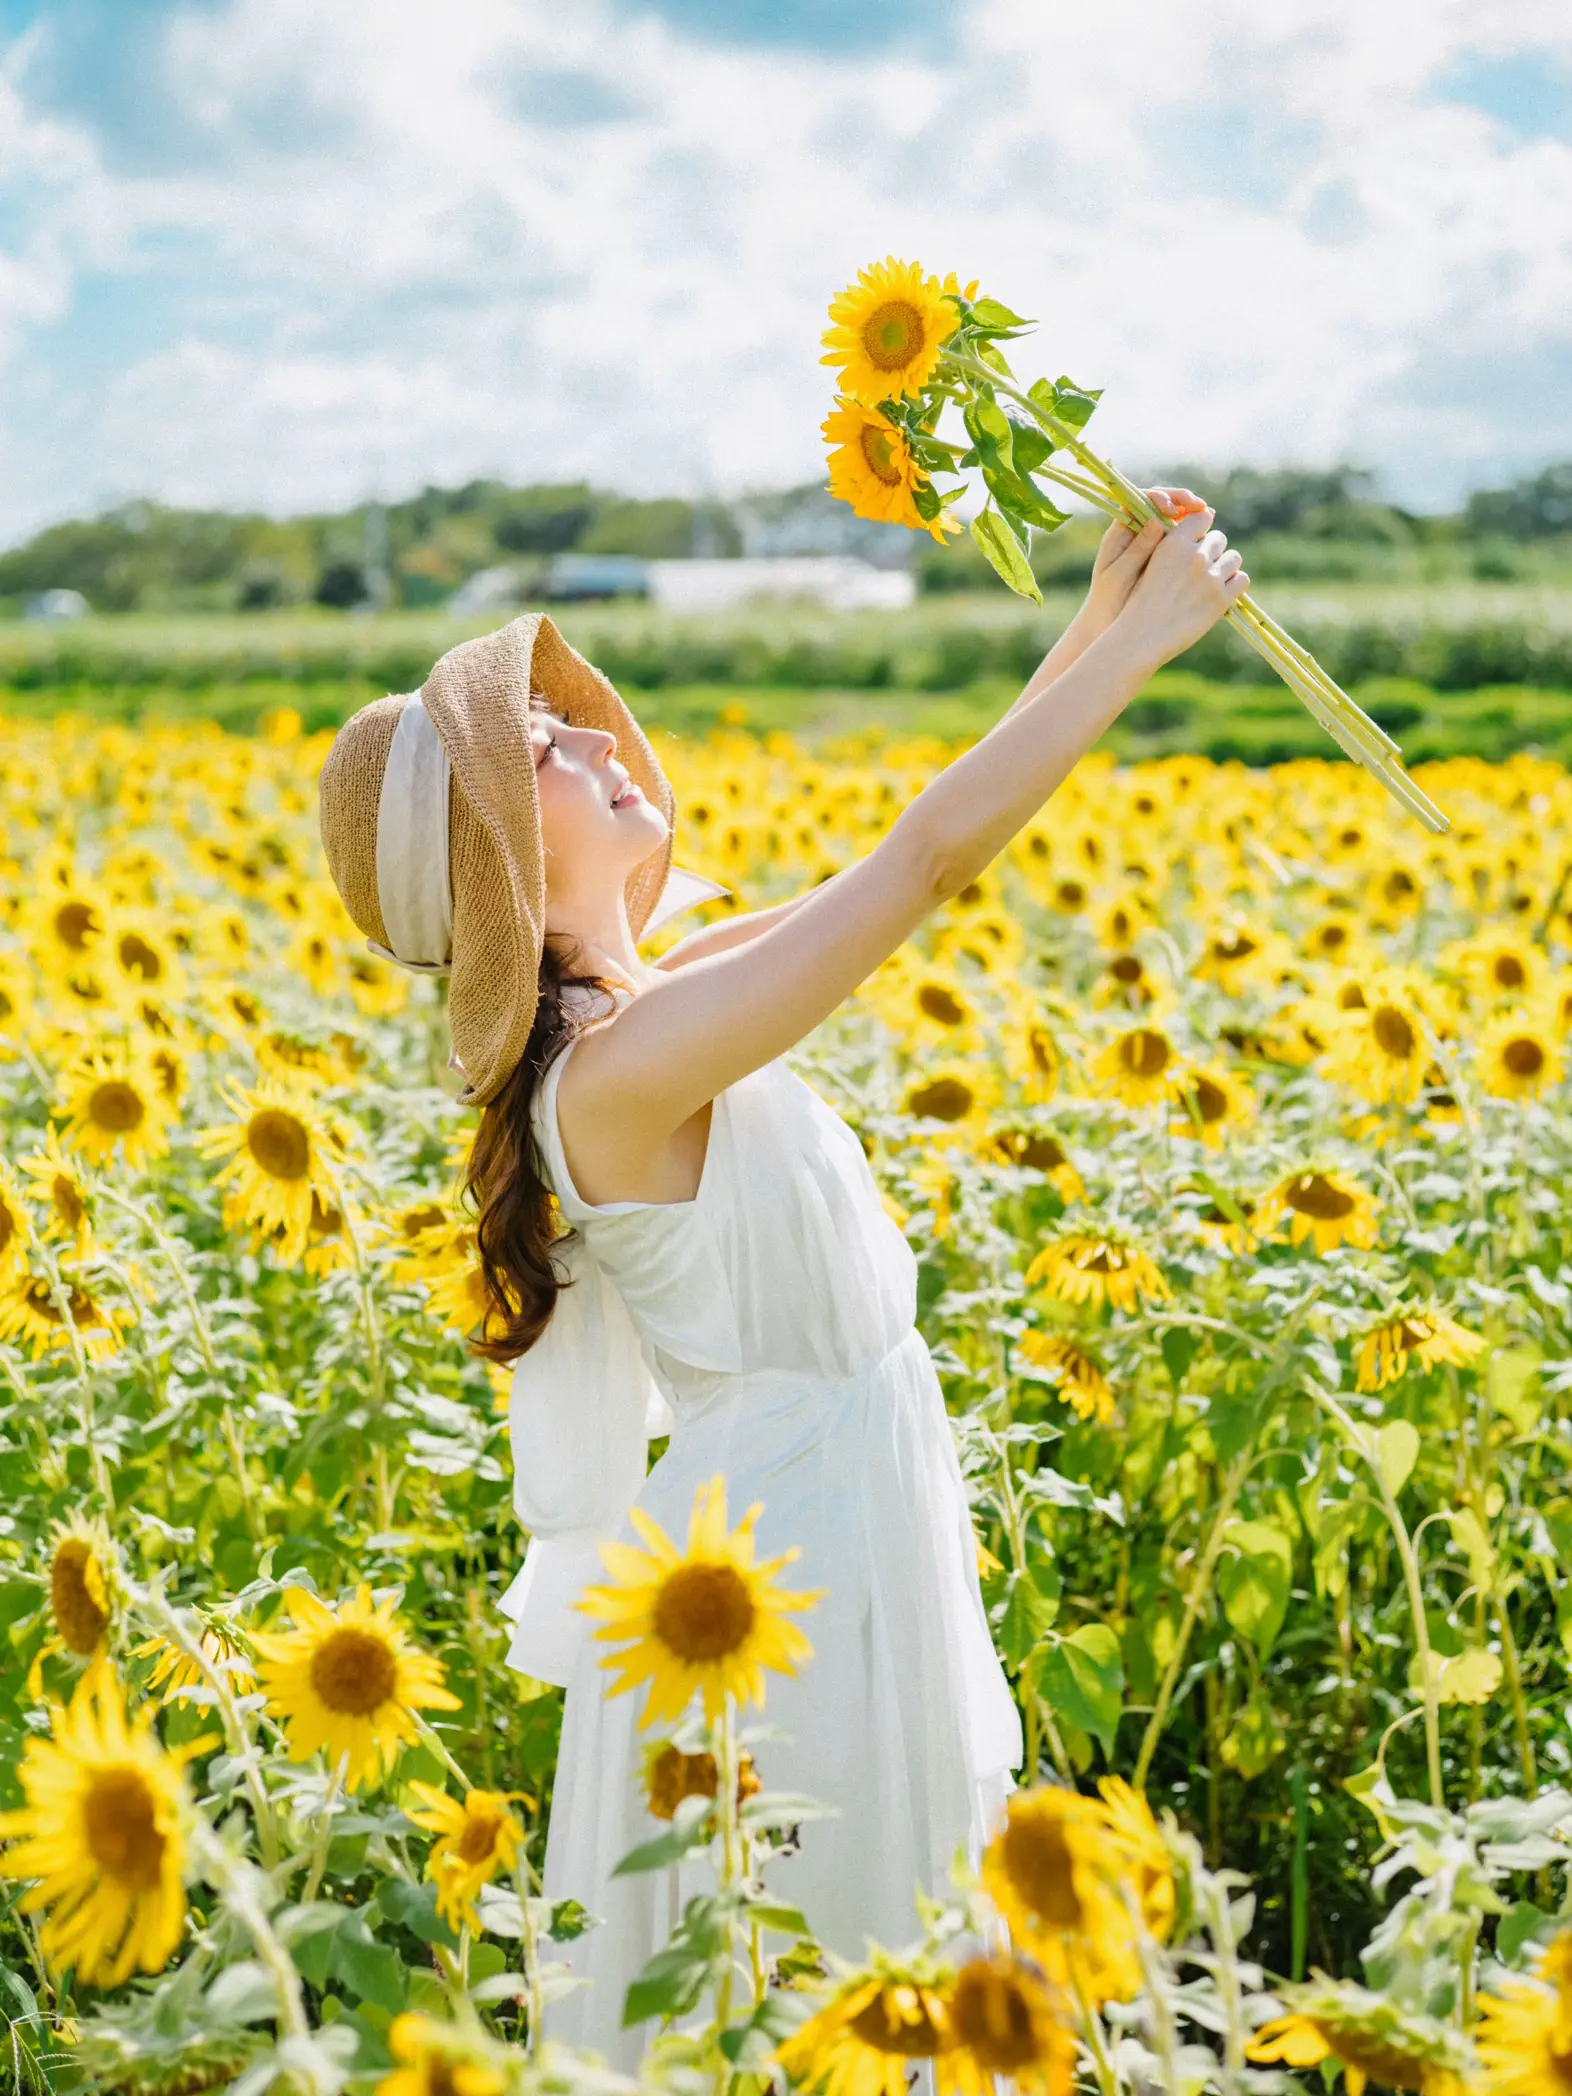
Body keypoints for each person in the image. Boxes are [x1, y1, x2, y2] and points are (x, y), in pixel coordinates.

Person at [316, 490, 1247, 2069]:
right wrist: (1149, 646)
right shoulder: (612, 1074)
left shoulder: (665, 998)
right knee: (834, 1961)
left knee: (878, 1952)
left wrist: (1097, 611)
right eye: (550, 750)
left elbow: (911, 837)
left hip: (842, 1493)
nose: (608, 744)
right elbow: (928, 862)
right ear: (500, 858)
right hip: (792, 1559)